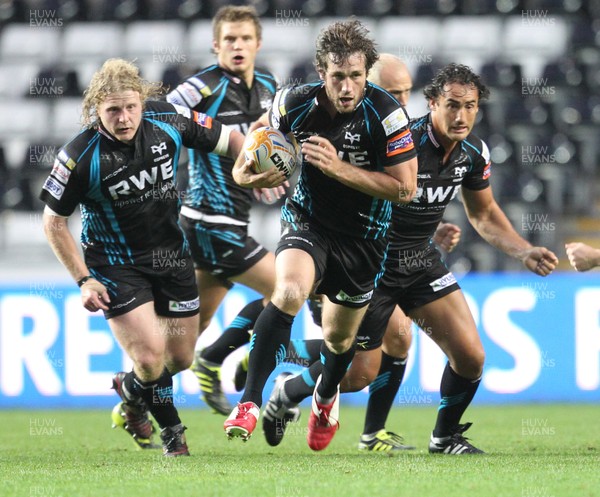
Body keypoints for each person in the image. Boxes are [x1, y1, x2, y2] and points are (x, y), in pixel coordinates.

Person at [262, 62, 559, 454]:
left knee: (471, 357)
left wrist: (523, 249)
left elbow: (484, 214)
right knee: (358, 374)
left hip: (420, 262)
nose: (461, 115)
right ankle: (289, 389)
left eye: (470, 106)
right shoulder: (399, 139)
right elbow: (361, 192)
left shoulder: (473, 153)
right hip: (374, 263)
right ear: (431, 102)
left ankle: (445, 437)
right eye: (452, 105)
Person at [223, 19, 419, 452]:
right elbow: (248, 150)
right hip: (308, 222)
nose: (346, 87)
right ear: (320, 72)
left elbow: (406, 189)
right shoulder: (293, 102)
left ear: (366, 73)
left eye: (354, 77)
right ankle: (249, 401)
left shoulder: (386, 115)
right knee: (289, 289)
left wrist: (339, 169)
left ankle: (324, 395)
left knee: (338, 341)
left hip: (364, 241)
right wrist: (246, 175)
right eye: (337, 77)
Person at [39, 58, 244, 456]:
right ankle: (173, 435)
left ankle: (130, 392)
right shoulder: (79, 157)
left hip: (171, 254)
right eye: (113, 110)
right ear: (95, 109)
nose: (124, 117)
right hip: (115, 264)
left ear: (142, 100)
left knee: (180, 358)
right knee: (151, 357)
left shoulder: (168, 118)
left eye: (131, 106)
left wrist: (257, 165)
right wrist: (84, 280)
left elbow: (229, 140)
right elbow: (53, 224)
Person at [165, 5, 284, 416]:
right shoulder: (202, 87)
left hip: (227, 219)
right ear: (216, 44)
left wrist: (272, 175)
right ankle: (222, 357)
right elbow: (159, 115)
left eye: (245, 38)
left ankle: (132, 394)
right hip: (211, 221)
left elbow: (272, 142)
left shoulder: (268, 85)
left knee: (186, 335)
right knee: (286, 290)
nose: (237, 46)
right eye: (229, 39)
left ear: (258, 44)